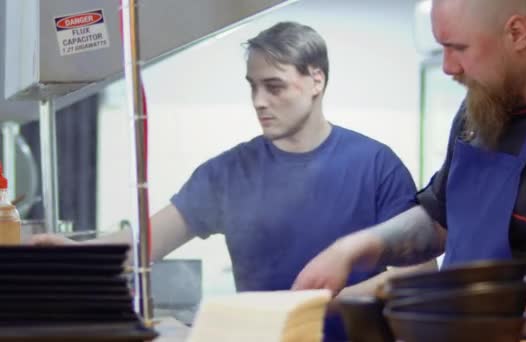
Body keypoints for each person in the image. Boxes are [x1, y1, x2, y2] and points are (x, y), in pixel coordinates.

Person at [31, 22, 419, 341]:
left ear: (316, 80)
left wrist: (325, 303)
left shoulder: (375, 166)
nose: (258, 101)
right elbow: (148, 241)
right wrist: (80, 257)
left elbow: (419, 273)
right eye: (252, 86)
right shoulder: (229, 172)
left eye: (274, 86)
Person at [292, 0, 526, 339]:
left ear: (517, 33)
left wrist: (460, 301)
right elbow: (441, 218)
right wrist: (354, 249)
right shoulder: (484, 102)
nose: (446, 66)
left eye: (458, 48)